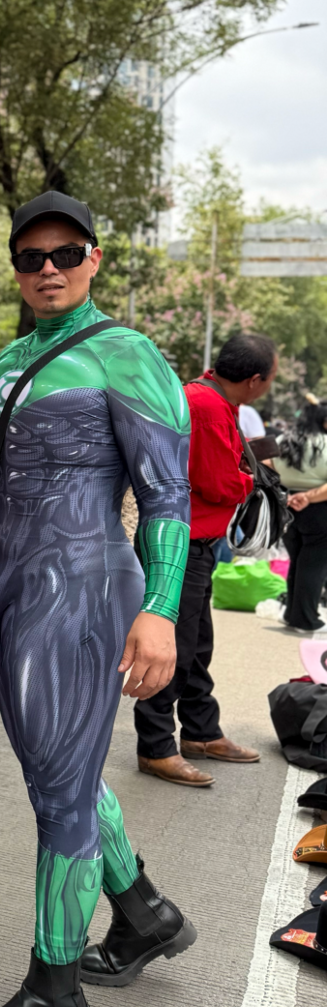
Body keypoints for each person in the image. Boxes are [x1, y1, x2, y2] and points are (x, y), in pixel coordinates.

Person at [0, 191, 195, 1007]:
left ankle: (55, 993)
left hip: (84, 592)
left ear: (92, 259)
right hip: (14, 590)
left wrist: (159, 607)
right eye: (30, 256)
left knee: (59, 794)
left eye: (65, 252)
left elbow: (167, 496)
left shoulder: (128, 353)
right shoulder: (10, 358)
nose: (47, 268)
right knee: (66, 773)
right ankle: (145, 913)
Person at [134, 332, 273, 785]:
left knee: (198, 647)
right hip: (181, 544)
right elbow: (219, 483)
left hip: (197, 542)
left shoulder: (209, 397)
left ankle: (201, 732)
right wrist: (251, 481)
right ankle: (155, 747)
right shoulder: (209, 406)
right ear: (254, 380)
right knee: (171, 648)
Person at [275, 402, 327, 633]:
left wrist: (287, 495)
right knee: (313, 564)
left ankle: (292, 613)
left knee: (297, 560)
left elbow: (265, 465)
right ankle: (306, 618)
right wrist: (308, 496)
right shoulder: (324, 443)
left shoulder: (284, 441)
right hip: (319, 507)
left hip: (285, 505)